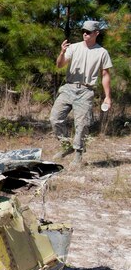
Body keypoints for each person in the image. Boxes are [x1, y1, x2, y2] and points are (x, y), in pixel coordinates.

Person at [49, 20, 112, 164]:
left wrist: (107, 96)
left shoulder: (102, 52)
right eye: (83, 31)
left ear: (96, 33)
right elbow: (59, 65)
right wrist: (62, 52)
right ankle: (66, 146)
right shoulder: (74, 48)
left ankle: (78, 154)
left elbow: (105, 75)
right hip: (69, 88)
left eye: (89, 32)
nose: (85, 34)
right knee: (54, 118)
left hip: (85, 91)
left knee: (82, 124)